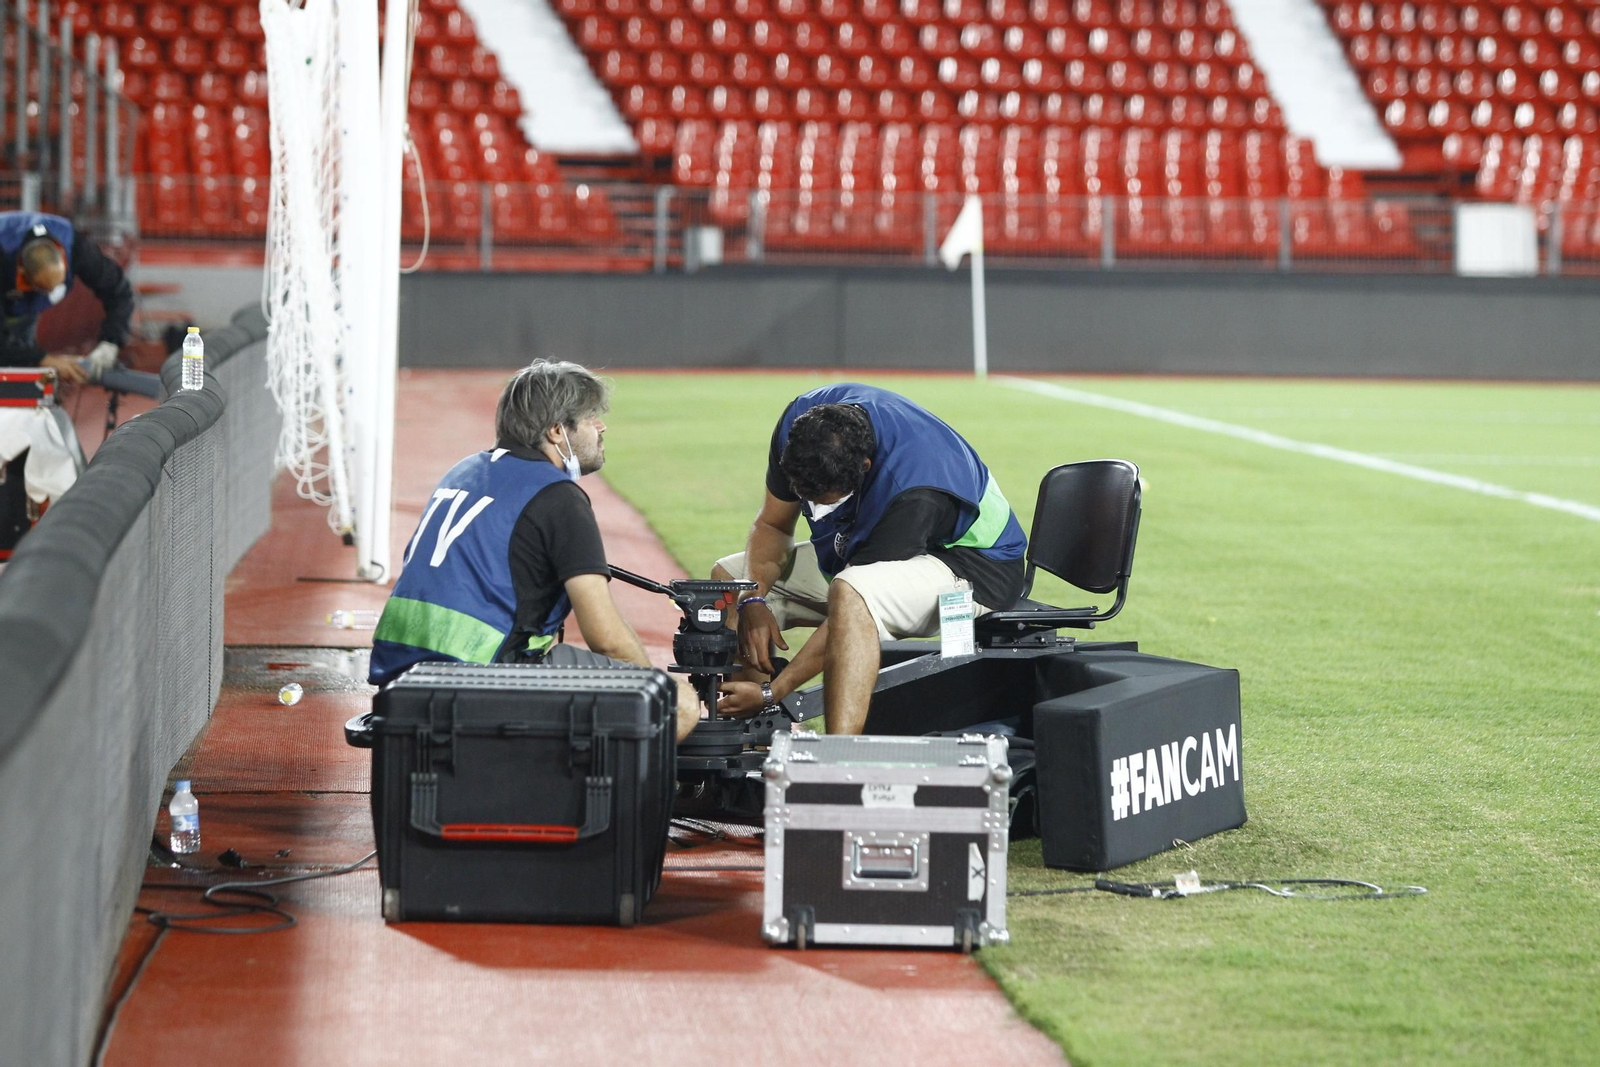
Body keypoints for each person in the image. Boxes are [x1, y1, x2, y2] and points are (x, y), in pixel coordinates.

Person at [367, 359, 701, 741]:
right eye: (590, 417)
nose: (601, 426)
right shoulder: (558, 497)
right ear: (558, 431)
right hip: (482, 681)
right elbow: (606, 638)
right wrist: (648, 687)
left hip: (401, 678)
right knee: (677, 703)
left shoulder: (464, 470)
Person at [713, 383, 1028, 735]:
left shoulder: (915, 491)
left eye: (828, 501)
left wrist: (776, 691)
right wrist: (751, 599)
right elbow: (772, 523)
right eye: (806, 497)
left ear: (864, 467)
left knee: (852, 592)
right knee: (727, 581)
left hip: (973, 568)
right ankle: (759, 737)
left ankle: (842, 762)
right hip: (876, 551)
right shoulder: (799, 425)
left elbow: (851, 606)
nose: (815, 511)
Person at [0, 212, 134, 386]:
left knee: (24, 373)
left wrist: (111, 342)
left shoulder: (77, 248)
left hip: (20, 310)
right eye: (42, 287)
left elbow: (118, 290)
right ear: (21, 271)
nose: (50, 295)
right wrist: (42, 359)